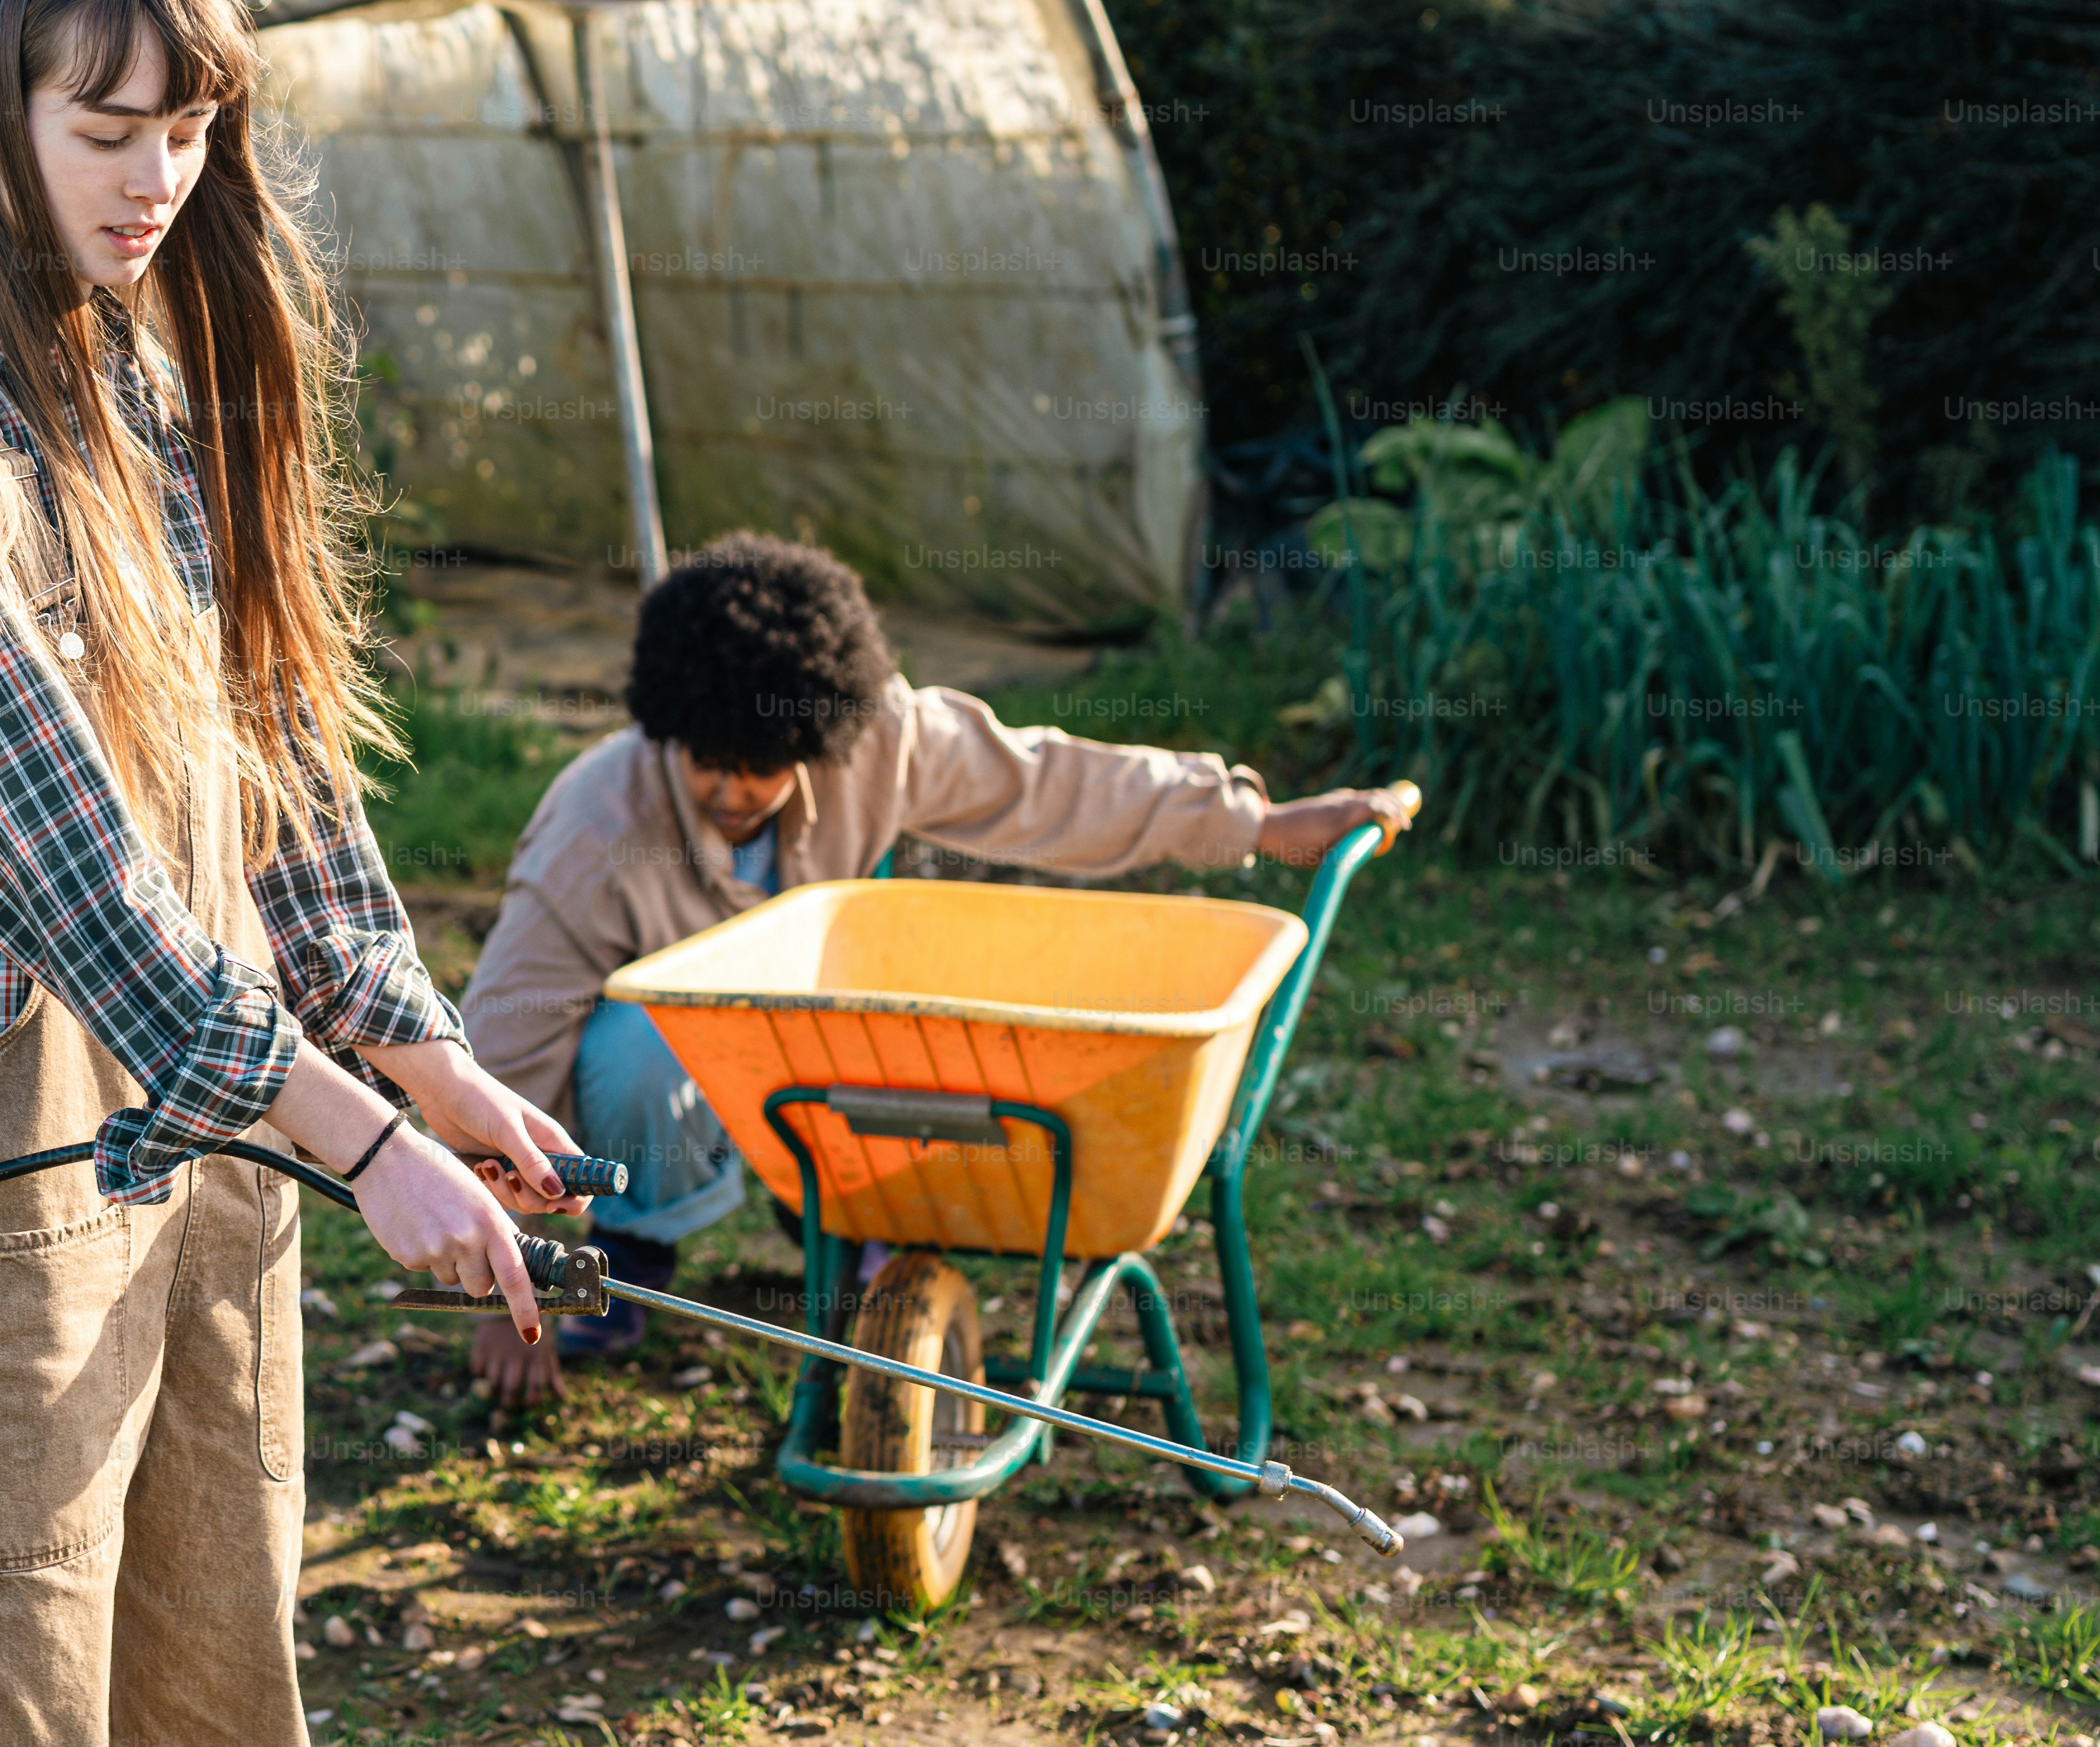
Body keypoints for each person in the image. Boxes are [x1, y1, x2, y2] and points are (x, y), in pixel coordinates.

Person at [0, 0, 589, 1744]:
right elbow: (89, 888)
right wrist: (364, 1144)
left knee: (211, 1654)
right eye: (105, 130)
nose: (157, 178)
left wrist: (425, 1059)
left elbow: (269, 768)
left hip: (213, 1142)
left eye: (187, 128)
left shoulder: (137, 387)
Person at [459, 533, 1416, 1405]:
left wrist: (1255, 824)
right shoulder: (595, 828)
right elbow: (507, 1043)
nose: (733, 788)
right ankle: (637, 1239)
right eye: (711, 760)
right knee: (637, 1041)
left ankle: (846, 1217)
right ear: (669, 725)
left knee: (903, 1008)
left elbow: (1047, 784)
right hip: (665, 1075)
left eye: (765, 764)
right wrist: (522, 1284)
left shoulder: (881, 741)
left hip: (818, 1042)